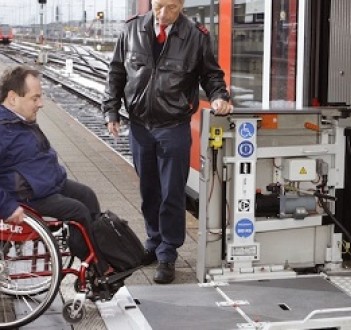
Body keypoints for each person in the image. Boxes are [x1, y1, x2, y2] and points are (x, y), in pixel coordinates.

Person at [101, 0, 232, 284]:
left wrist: (220, 95)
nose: (163, 14)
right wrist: (111, 110)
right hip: (140, 126)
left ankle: (168, 253)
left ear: (182, 5)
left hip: (173, 126)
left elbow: (211, 74)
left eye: (171, 7)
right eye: (159, 5)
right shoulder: (131, 30)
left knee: (172, 192)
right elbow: (116, 73)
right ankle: (153, 242)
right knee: (149, 190)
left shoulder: (196, 36)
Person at [0, 65, 110, 275]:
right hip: (27, 197)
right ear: (13, 98)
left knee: (87, 195)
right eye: (35, 98)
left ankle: (100, 250)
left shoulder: (19, 120)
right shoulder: (3, 129)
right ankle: (95, 265)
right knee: (78, 211)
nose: (40, 104)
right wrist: (7, 207)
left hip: (46, 185)